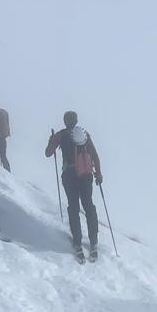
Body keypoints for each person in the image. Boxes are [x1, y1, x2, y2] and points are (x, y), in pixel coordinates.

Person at [45, 112, 102, 261]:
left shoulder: (61, 135)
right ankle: (94, 241)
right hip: (86, 175)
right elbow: (94, 155)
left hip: (69, 175)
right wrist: (98, 173)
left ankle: (77, 242)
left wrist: (51, 141)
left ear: (65, 121)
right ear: (76, 121)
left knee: (74, 207)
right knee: (89, 205)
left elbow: (48, 153)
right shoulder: (84, 134)